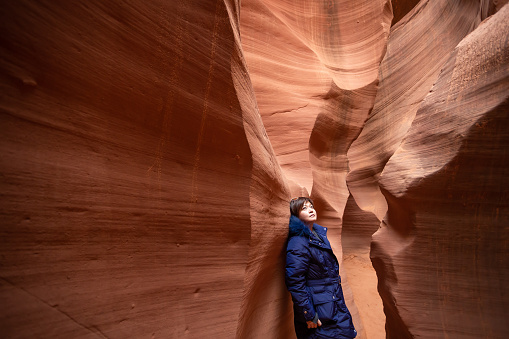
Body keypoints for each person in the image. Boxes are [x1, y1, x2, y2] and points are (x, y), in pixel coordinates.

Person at [285, 197, 357, 339]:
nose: (310, 209)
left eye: (311, 206)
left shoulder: (318, 235)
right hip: (319, 312)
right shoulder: (298, 242)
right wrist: (309, 314)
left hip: (332, 303)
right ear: (296, 216)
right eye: (304, 208)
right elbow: (295, 281)